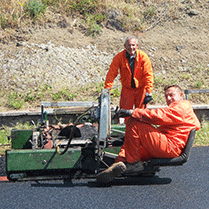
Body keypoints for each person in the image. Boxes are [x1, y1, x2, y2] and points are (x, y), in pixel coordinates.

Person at [96, 85, 201, 183]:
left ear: (181, 95)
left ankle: (133, 164)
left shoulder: (182, 106)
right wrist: (125, 138)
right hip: (167, 143)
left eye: (171, 95)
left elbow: (159, 116)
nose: (168, 98)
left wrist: (132, 112)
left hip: (170, 146)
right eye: (166, 96)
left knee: (134, 122)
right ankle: (118, 165)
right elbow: (157, 124)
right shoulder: (178, 109)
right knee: (130, 147)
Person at [104, 36, 154, 112]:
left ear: (137, 46)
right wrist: (107, 90)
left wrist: (148, 92)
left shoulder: (143, 57)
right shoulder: (119, 57)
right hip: (127, 90)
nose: (131, 47)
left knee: (142, 115)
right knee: (124, 113)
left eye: (133, 45)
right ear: (125, 46)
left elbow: (148, 75)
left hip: (141, 89)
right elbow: (111, 74)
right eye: (129, 45)